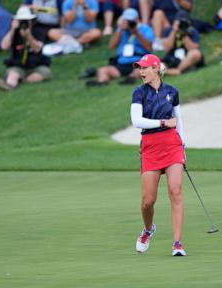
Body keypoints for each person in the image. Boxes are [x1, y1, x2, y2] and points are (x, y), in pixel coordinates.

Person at [130, 54, 187, 256]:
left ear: (156, 68)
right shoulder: (138, 93)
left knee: (176, 191)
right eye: (140, 68)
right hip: (151, 147)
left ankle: (177, 243)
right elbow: (136, 121)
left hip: (172, 145)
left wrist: (183, 147)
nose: (141, 72)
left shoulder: (172, 91)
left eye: (145, 68)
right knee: (148, 201)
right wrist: (162, 122)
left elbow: (178, 121)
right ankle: (148, 229)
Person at [85, 8, 153, 86]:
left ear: (137, 20)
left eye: (130, 21)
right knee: (103, 70)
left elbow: (148, 47)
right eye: (126, 20)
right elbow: (111, 45)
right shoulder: (121, 30)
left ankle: (131, 79)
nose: (128, 23)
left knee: (140, 70)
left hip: (139, 61)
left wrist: (136, 32)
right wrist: (120, 30)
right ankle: (102, 81)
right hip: (122, 62)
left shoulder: (145, 29)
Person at [0, 6, 53, 90]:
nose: (24, 23)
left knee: (45, 73)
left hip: (36, 65)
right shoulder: (14, 32)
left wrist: (28, 36)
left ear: (31, 21)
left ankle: (23, 80)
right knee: (12, 76)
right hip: (18, 65)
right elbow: (4, 46)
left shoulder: (38, 31)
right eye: (21, 20)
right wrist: (12, 30)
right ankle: (9, 85)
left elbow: (37, 49)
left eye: (26, 21)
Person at [162, 10, 204, 75]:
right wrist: (174, 31)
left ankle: (177, 70)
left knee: (196, 53)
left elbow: (192, 49)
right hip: (172, 58)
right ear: (174, 22)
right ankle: (180, 70)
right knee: (157, 64)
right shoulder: (168, 30)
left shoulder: (193, 31)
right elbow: (166, 49)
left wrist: (184, 33)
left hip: (187, 58)